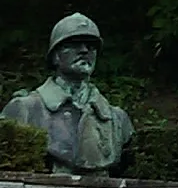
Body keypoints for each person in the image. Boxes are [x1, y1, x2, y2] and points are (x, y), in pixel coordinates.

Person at [2, 14, 136, 177]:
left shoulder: (117, 119)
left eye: (91, 46)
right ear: (56, 56)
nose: (84, 50)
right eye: (74, 45)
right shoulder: (24, 109)